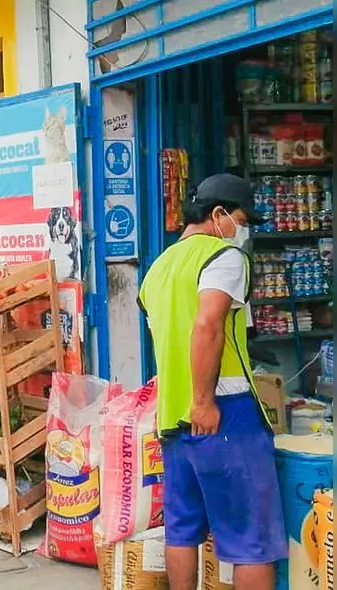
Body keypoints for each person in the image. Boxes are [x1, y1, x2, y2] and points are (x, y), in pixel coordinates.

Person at [138, 173, 286, 590]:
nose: (245, 230)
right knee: (251, 540)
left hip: (173, 417)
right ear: (218, 214)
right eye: (242, 219)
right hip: (223, 413)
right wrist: (204, 401)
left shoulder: (159, 267)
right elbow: (207, 325)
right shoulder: (224, 257)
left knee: (182, 529)